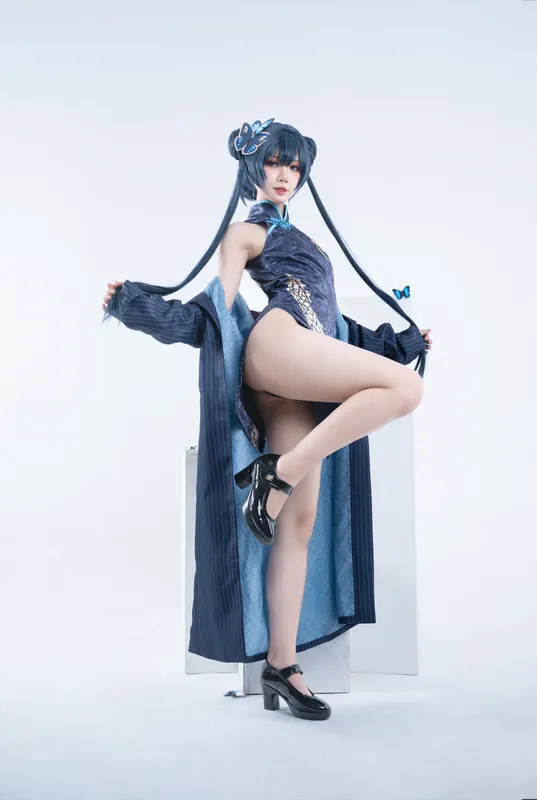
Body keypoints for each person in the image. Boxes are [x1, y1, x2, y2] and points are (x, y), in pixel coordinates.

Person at [102, 118, 432, 722]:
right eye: (275, 163)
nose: (285, 175)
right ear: (254, 168)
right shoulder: (244, 231)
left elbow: (335, 328)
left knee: (298, 524)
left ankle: (282, 664)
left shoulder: (302, 239)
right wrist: (135, 307)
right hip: (277, 346)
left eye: (294, 166)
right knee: (405, 390)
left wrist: (401, 341)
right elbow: (213, 313)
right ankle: (277, 473)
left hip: (298, 376)